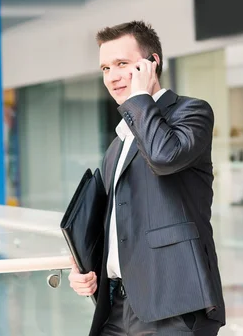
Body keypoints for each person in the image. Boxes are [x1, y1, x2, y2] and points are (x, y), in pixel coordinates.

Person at [68, 21, 225, 336]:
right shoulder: (118, 143)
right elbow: (117, 222)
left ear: (151, 64)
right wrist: (85, 264)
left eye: (122, 64)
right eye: (105, 68)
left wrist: (139, 99)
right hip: (117, 306)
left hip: (174, 305)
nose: (111, 77)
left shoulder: (191, 113)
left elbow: (165, 158)